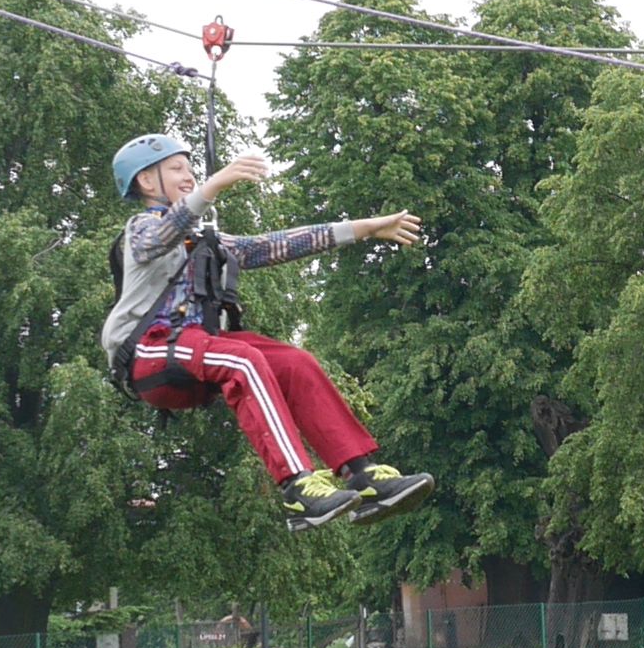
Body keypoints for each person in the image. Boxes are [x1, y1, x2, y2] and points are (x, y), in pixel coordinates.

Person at [102, 132, 433, 525]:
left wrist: (366, 228)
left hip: (197, 348)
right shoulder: (140, 229)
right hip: (149, 352)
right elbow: (161, 236)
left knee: (295, 363)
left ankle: (361, 473)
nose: (188, 176)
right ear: (146, 181)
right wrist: (212, 187)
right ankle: (297, 486)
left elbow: (275, 245)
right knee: (242, 359)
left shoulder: (204, 239)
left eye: (191, 169)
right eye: (176, 169)